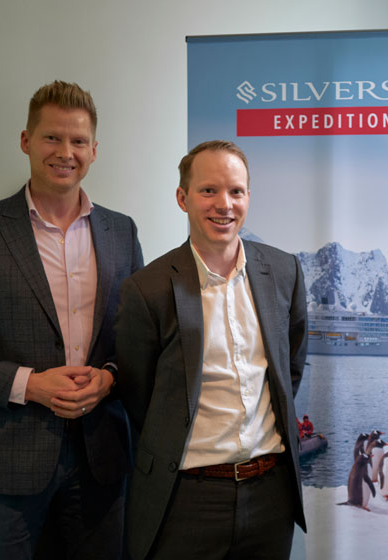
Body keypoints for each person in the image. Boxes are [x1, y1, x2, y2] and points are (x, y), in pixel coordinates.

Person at [0, 80, 143, 560]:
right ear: (26, 141)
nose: (65, 152)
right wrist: (30, 385)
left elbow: (137, 341)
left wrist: (109, 378)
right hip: (6, 460)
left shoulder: (121, 230)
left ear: (94, 150)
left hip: (103, 456)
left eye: (78, 141)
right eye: (52, 137)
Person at [115, 140, 308, 560]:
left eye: (236, 191)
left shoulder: (284, 272)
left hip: (270, 494)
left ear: (248, 197)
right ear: (182, 198)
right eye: (208, 190)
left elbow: (289, 369)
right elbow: (138, 394)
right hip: (186, 498)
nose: (224, 204)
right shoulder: (146, 288)